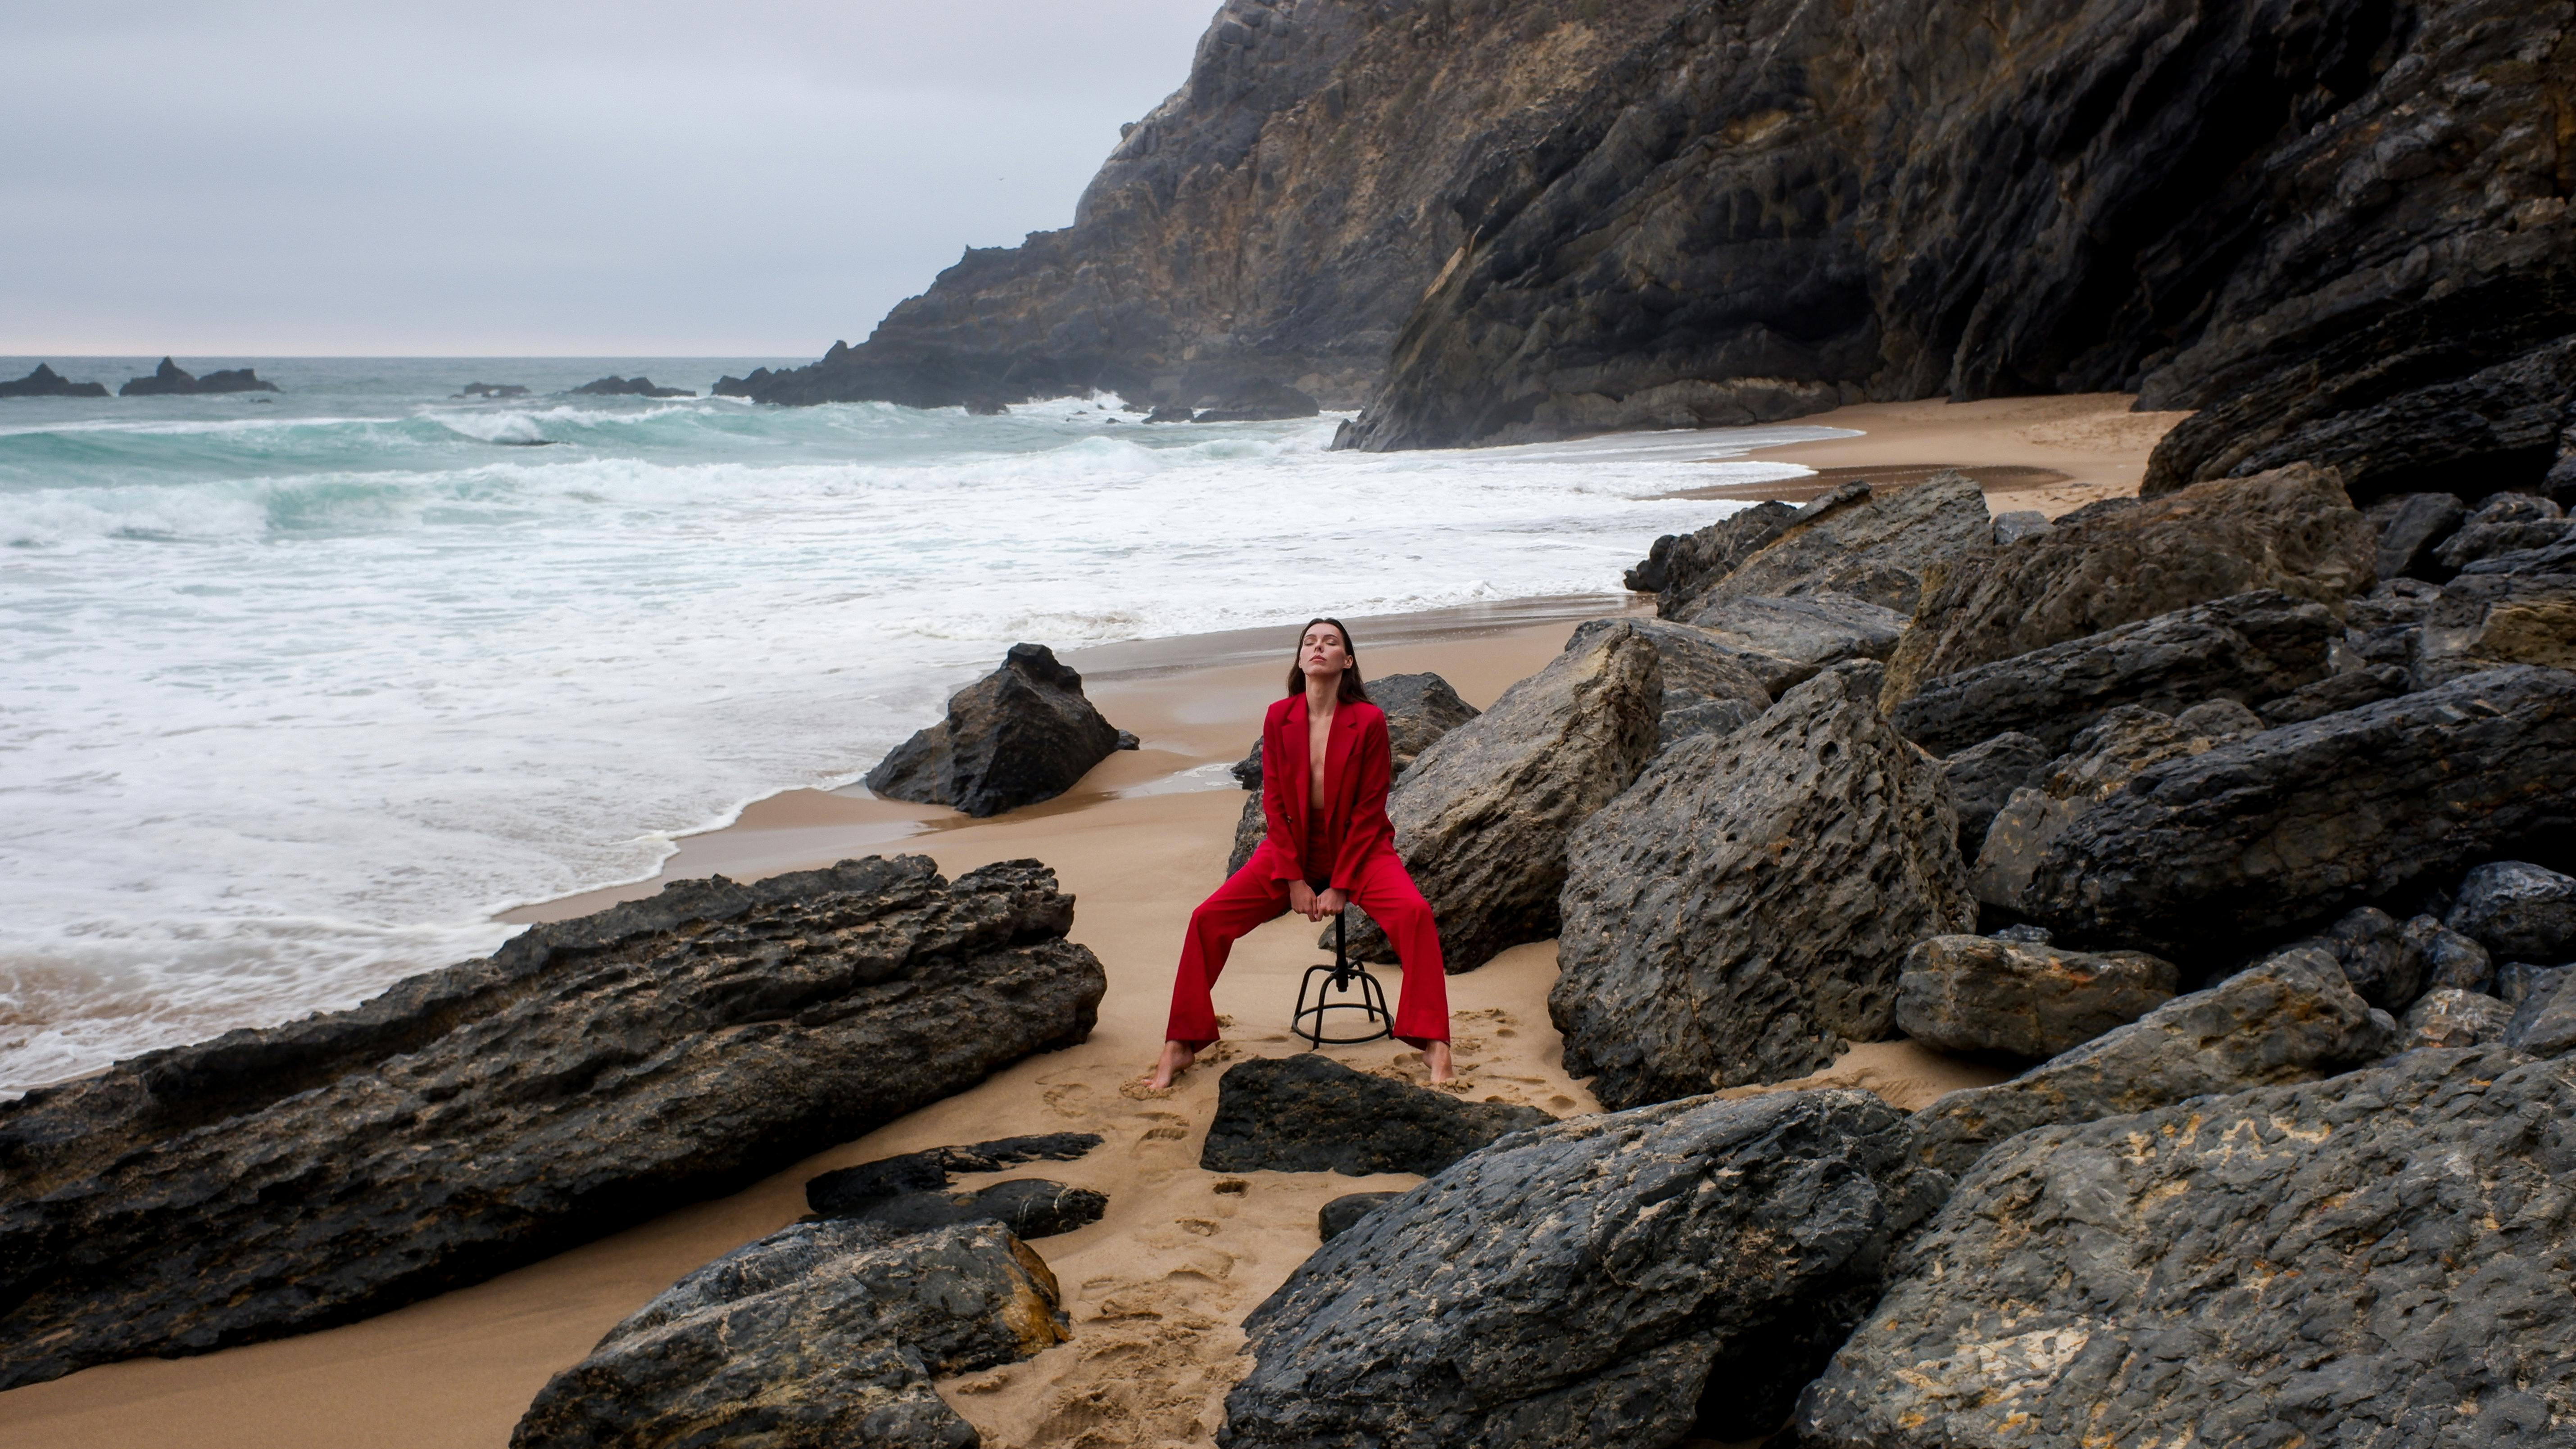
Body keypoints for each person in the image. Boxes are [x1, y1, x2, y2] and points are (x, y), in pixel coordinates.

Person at [1146, 617, 1453, 1089]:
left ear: (1346, 660)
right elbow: (1273, 802)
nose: (1318, 647)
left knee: (1415, 914)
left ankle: (1436, 1045)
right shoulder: (1279, 716)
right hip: (1291, 848)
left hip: (1360, 848)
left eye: (1330, 642)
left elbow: (1370, 808)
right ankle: (1179, 1044)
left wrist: (1341, 885)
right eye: (1309, 641)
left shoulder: (1368, 720)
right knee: (1207, 919)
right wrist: (1293, 879)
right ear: (1300, 658)